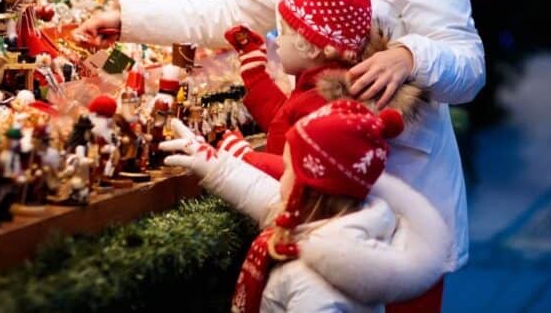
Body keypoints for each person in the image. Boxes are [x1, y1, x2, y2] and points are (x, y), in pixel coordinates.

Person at [77, 0, 485, 309]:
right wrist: (127, 17)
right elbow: (226, 12)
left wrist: (409, 55)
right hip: (319, 206)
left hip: (404, 202)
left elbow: (468, 67)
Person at [160, 100, 450, 312]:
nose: (281, 176)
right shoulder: (333, 225)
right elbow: (265, 196)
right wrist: (215, 164)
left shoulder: (315, 283)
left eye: (288, 169)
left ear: (309, 190)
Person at [222, 0, 425, 179]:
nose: (277, 40)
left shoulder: (321, 103)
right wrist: (255, 73)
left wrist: (244, 158)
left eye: (285, 33)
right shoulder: (315, 87)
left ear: (312, 45)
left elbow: (299, 172)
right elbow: (283, 121)